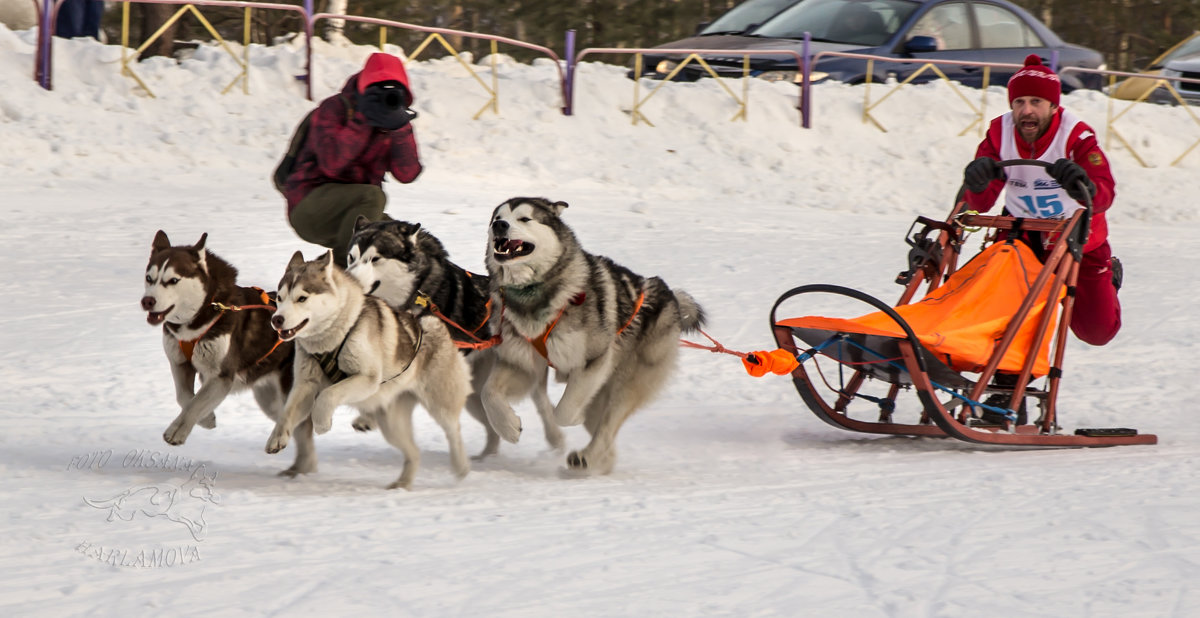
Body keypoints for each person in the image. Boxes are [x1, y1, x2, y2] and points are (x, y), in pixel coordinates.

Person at [962, 54, 1122, 422]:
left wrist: (1079, 179)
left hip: (1078, 242)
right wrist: (978, 182)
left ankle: (1108, 279)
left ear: (1053, 105)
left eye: (1036, 102)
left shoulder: (1076, 135)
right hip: (1022, 240)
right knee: (1016, 312)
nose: (1026, 111)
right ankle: (1005, 395)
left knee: (1097, 331)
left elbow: (1105, 191)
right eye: (1019, 102)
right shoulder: (999, 133)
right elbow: (981, 199)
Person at [281, 52, 422, 265]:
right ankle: (341, 272)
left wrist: (400, 127)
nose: (387, 99)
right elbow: (332, 164)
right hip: (310, 207)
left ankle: (318, 273)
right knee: (373, 197)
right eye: (379, 92)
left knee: (400, 240)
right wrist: (363, 119)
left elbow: (407, 174)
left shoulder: (393, 120)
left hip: (353, 211)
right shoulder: (334, 109)